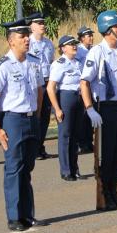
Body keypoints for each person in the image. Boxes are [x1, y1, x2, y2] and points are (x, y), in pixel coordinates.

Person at [0, 19, 45, 231]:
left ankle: (28, 215)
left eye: (27, 35)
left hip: (30, 119)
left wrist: (36, 116)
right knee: (14, 169)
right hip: (13, 120)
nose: (27, 39)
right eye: (22, 36)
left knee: (27, 169)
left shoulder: (34, 61)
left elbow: (39, 90)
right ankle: (14, 217)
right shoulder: (1, 67)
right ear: (11, 41)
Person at [80, 10, 117, 211]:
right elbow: (84, 82)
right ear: (107, 30)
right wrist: (89, 109)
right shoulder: (97, 52)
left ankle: (115, 191)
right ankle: (105, 194)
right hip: (106, 109)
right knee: (107, 154)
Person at [46, 35, 85, 181]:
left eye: (75, 44)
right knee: (65, 135)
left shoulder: (78, 63)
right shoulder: (59, 64)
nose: (74, 46)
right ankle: (66, 170)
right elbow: (51, 88)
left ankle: (75, 168)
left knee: (75, 135)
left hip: (78, 98)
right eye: (70, 44)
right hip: (66, 98)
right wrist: (57, 109)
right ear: (63, 48)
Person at [26, 12, 55, 160]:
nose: (43, 25)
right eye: (39, 23)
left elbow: (51, 63)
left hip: (48, 82)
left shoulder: (49, 43)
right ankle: (33, 148)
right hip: (35, 83)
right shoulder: (28, 43)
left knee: (45, 117)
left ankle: (40, 146)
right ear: (32, 26)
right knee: (35, 116)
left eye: (43, 23)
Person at [76, 26, 95, 153]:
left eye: (91, 35)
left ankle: (89, 141)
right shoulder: (78, 51)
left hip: (92, 86)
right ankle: (82, 143)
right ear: (82, 38)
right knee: (83, 116)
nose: (91, 38)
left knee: (90, 116)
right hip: (83, 86)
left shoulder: (93, 50)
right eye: (88, 36)